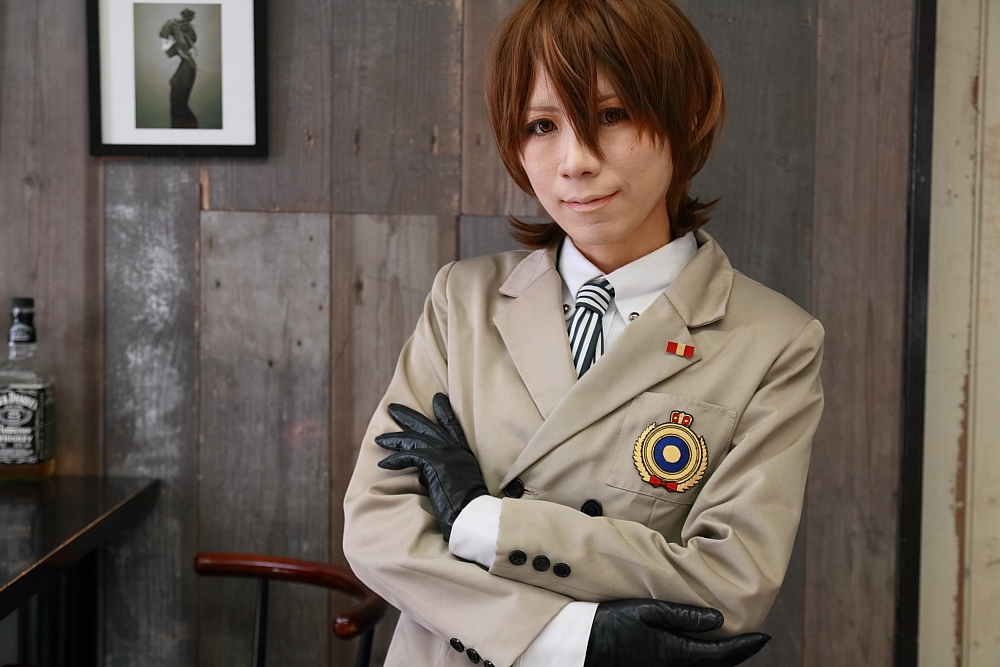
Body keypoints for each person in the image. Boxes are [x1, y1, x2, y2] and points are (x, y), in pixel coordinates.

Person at [343, 1, 824, 665]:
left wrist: (486, 521)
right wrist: (574, 640)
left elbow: (729, 584)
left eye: (611, 114)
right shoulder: (463, 299)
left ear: (686, 116)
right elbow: (377, 526)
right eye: (541, 125)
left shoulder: (773, 341)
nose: (575, 161)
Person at [159, 9, 198, 129]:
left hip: (184, 123)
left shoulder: (188, 66)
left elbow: (180, 107)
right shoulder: (186, 64)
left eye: (166, 42)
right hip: (181, 122)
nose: (163, 48)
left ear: (179, 41)